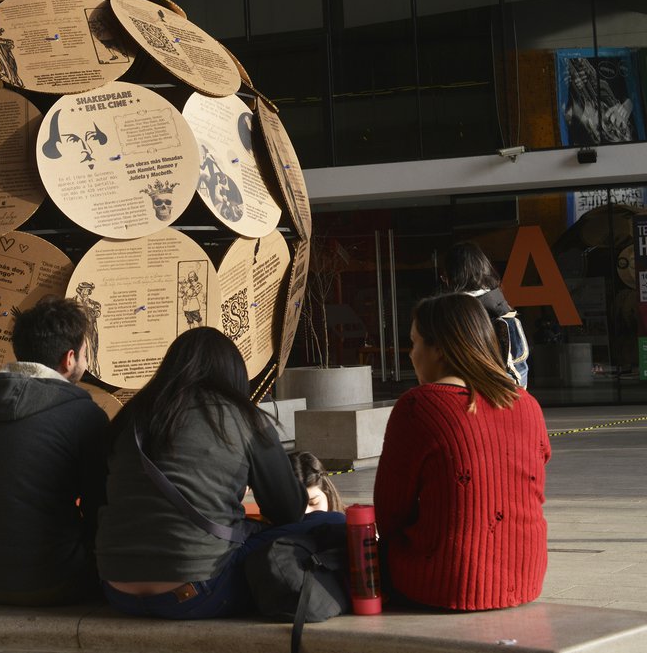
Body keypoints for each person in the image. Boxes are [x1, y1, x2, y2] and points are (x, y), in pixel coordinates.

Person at [97, 327, 335, 620]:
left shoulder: (130, 418)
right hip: (195, 593)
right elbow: (288, 510)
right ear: (233, 374)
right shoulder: (244, 418)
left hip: (116, 590)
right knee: (332, 522)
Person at [374, 293, 550, 610]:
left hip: (443, 583)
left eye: (414, 343)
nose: (411, 355)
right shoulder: (527, 404)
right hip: (526, 578)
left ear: (439, 348)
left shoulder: (419, 405)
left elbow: (390, 513)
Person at [0, 296, 109, 606]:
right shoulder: (83, 415)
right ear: (69, 359)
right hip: (56, 580)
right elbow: (102, 509)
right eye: (85, 353)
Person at [442, 241, 529, 387]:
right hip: (509, 396)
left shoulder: (459, 316)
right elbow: (520, 373)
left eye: (445, 277)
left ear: (453, 277)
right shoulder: (504, 311)